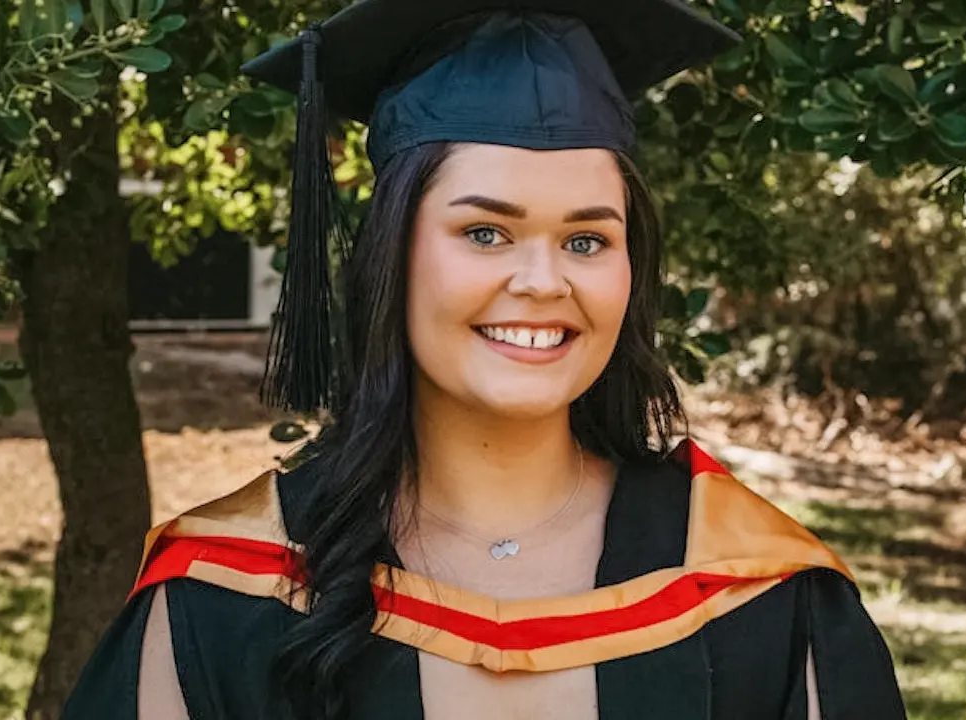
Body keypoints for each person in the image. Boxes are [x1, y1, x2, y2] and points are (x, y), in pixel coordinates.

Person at [65, 1, 908, 718]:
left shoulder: (756, 589)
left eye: (587, 239)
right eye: (484, 232)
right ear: (391, 254)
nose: (542, 281)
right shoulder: (228, 592)